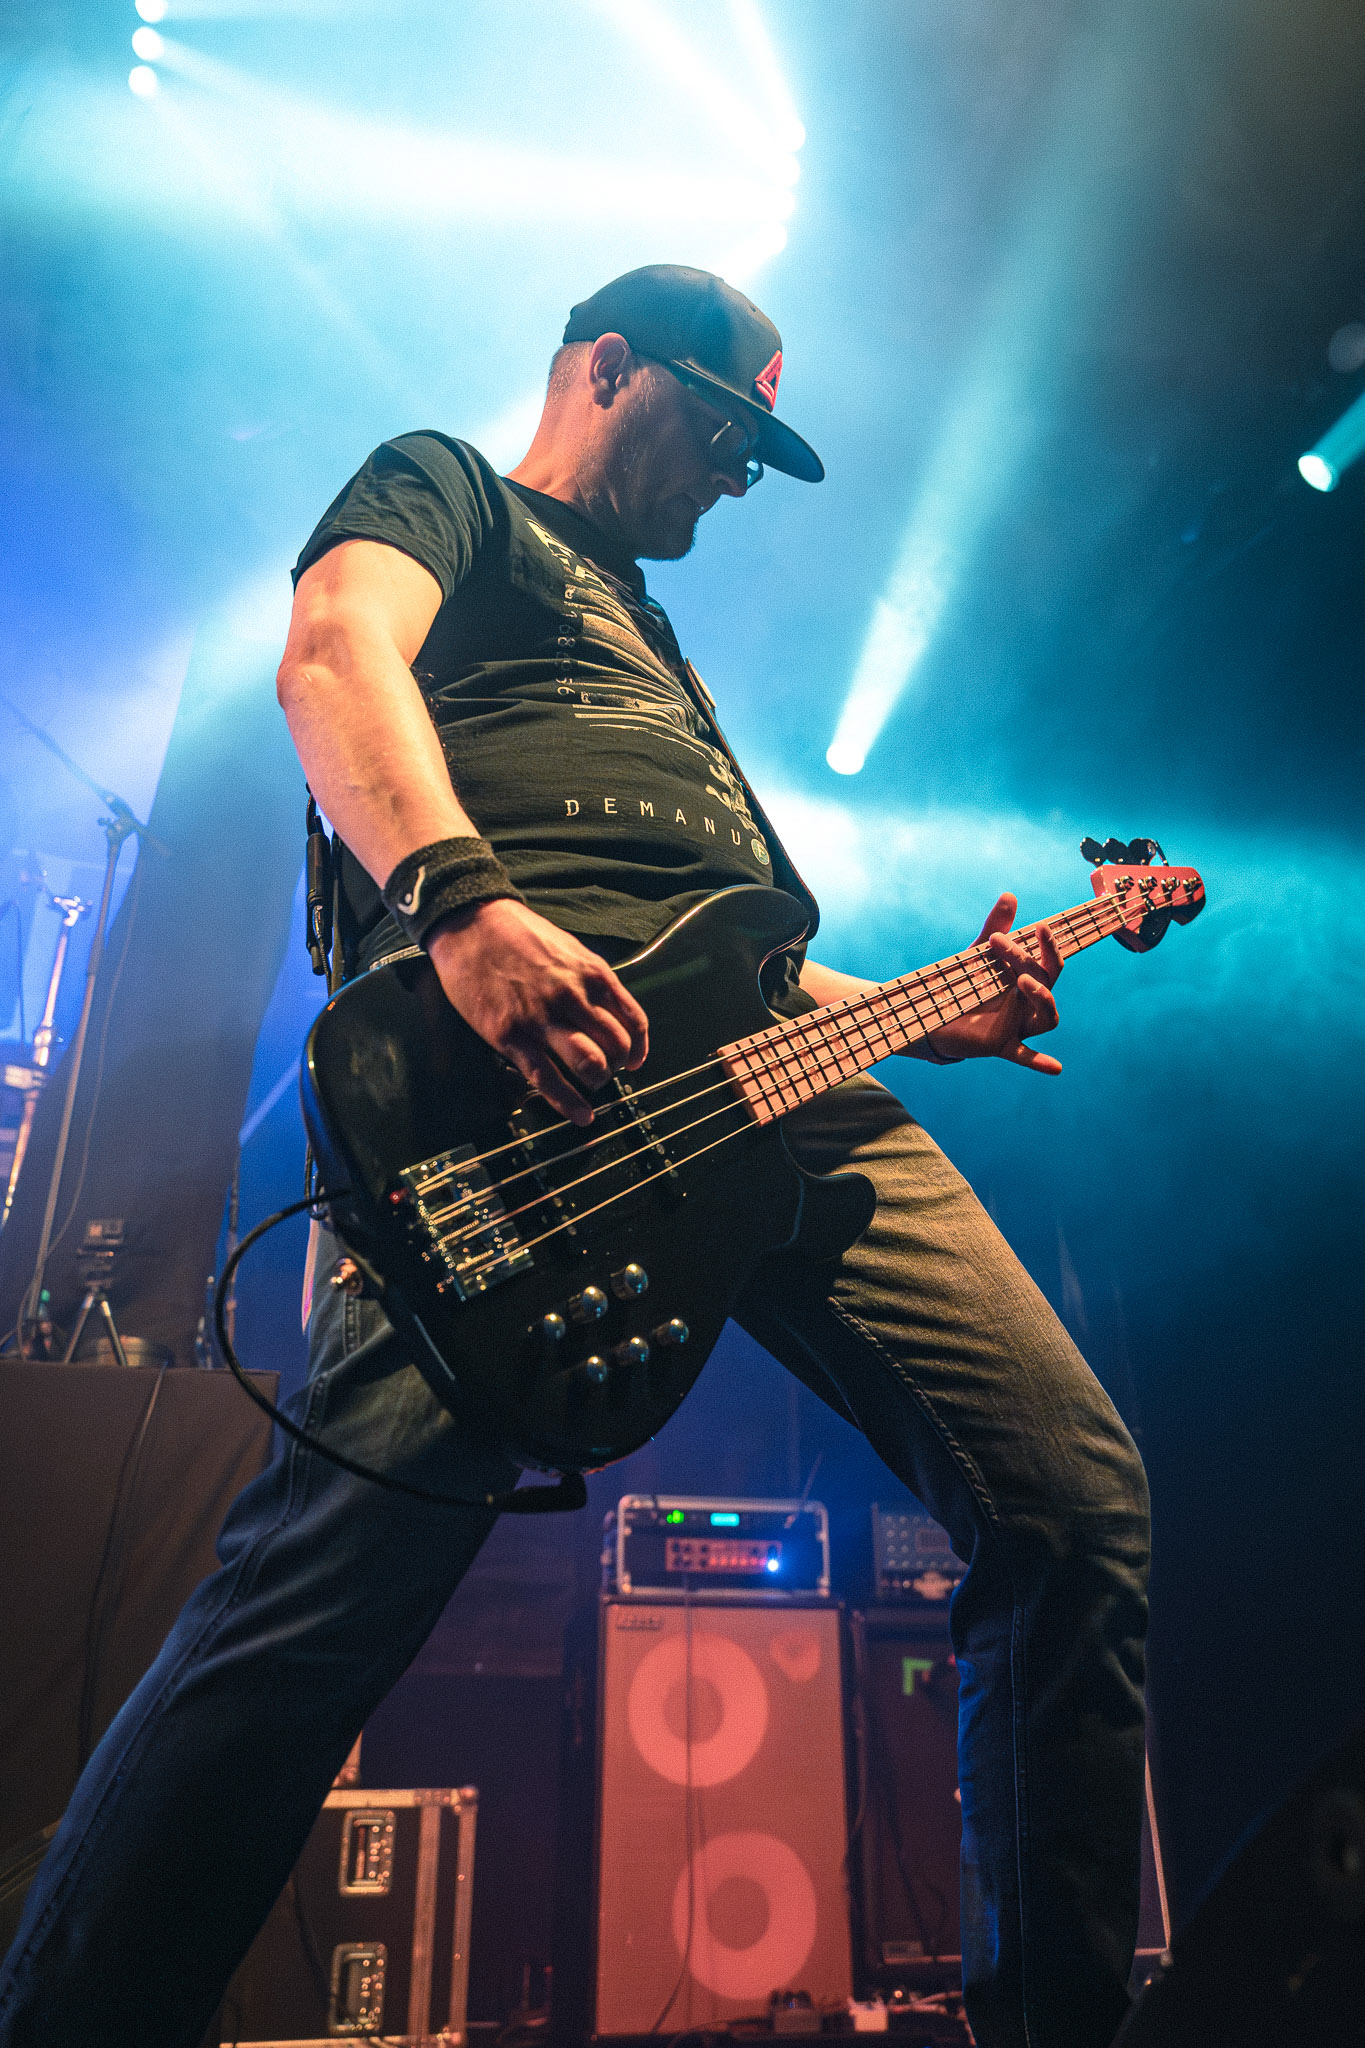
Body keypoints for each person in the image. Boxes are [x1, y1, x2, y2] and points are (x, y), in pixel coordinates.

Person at [0, 266, 1149, 2048]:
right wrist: (463, 906)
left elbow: (736, 966)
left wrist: (932, 1010)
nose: (741, 477)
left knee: (1070, 1502)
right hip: (513, 1101)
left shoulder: (658, 639)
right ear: (608, 367)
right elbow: (332, 655)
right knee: (317, 1607)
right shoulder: (447, 488)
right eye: (726, 429)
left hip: (771, 1091)